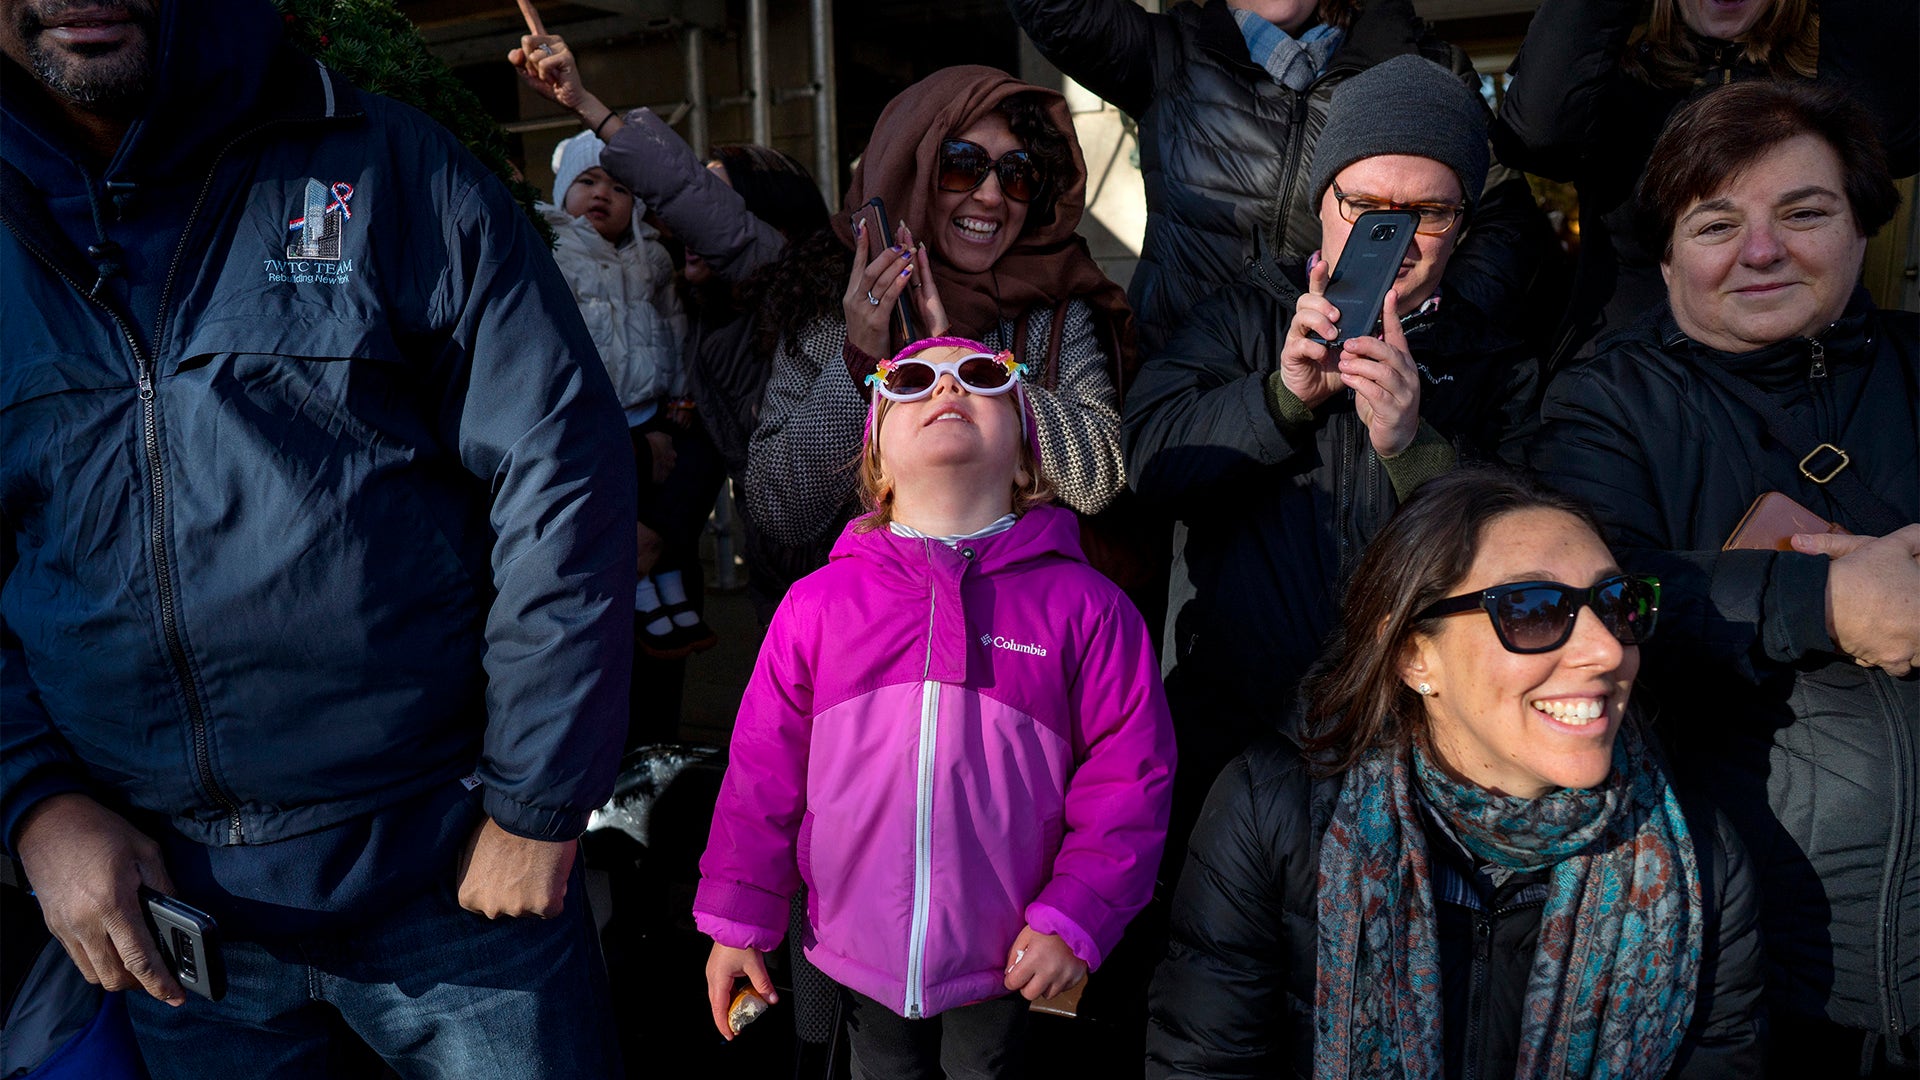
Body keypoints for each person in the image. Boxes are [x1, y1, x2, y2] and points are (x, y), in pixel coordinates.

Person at [0, 1, 634, 1076]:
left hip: (456, 886)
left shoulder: (393, 168)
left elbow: (560, 472)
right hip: (167, 921)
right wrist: (34, 803)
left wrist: (537, 799)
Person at [1532, 80, 1919, 1074]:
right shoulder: (1605, 403)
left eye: (1804, 211)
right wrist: (1820, 600)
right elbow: (1597, 604)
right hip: (1747, 968)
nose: (1761, 251)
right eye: (1716, 222)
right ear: (1665, 257)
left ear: (1864, 223)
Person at [1145, 467, 1765, 1078]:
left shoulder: (1699, 864)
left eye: (1616, 603)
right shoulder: (1273, 813)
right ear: (1416, 657)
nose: (1606, 650)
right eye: (1533, 610)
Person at [695, 337, 1175, 1078]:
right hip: (856, 949)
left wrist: (1078, 913)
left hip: (1014, 951)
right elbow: (761, 776)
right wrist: (740, 920)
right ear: (879, 468)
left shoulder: (1087, 608)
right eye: (913, 381)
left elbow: (1129, 782)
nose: (947, 389)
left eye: (981, 378)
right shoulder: (816, 606)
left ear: (1023, 463)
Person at [1122, 55, 1540, 863]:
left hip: (1429, 749)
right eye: (1368, 206)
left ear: (1463, 221)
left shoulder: (1496, 359)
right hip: (1240, 736)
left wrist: (1414, 450)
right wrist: (1280, 398)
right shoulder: (1242, 316)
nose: (1399, 237)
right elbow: (1148, 466)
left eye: (1430, 212)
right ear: (1323, 202)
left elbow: (1534, 557)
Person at [742, 65, 1133, 599]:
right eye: (962, 166)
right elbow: (779, 508)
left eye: (1017, 173)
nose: (993, 197)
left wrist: (967, 361)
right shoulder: (831, 302)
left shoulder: (1052, 305)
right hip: (869, 633)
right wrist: (859, 361)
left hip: (1018, 634)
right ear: (910, 172)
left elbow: (1101, 477)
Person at [1007, 0, 1550, 357]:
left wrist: (1425, 325)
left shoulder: (1418, 62)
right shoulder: (1171, 52)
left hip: (1358, 384)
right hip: (1195, 384)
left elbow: (1504, 220)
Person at [510, 31, 833, 626]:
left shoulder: (807, 302)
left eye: (709, 204)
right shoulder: (700, 311)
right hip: (774, 576)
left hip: (835, 569)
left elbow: (688, 195)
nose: (676, 221)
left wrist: (590, 107)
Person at [1492, 0, 1919, 366]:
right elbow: (1535, 137)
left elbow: (1894, 139)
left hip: (1810, 382)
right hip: (1631, 381)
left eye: (1802, 213)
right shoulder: (1613, 85)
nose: (1760, 251)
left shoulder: (1834, 93)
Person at [540, 127, 711, 660]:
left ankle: (667, 584)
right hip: (592, 417)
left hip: (649, 408)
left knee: (662, 499)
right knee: (618, 508)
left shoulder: (652, 258)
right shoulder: (554, 251)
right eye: (586, 182)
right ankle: (640, 592)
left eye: (618, 188)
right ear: (563, 192)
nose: (601, 195)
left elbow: (676, 326)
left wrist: (681, 394)